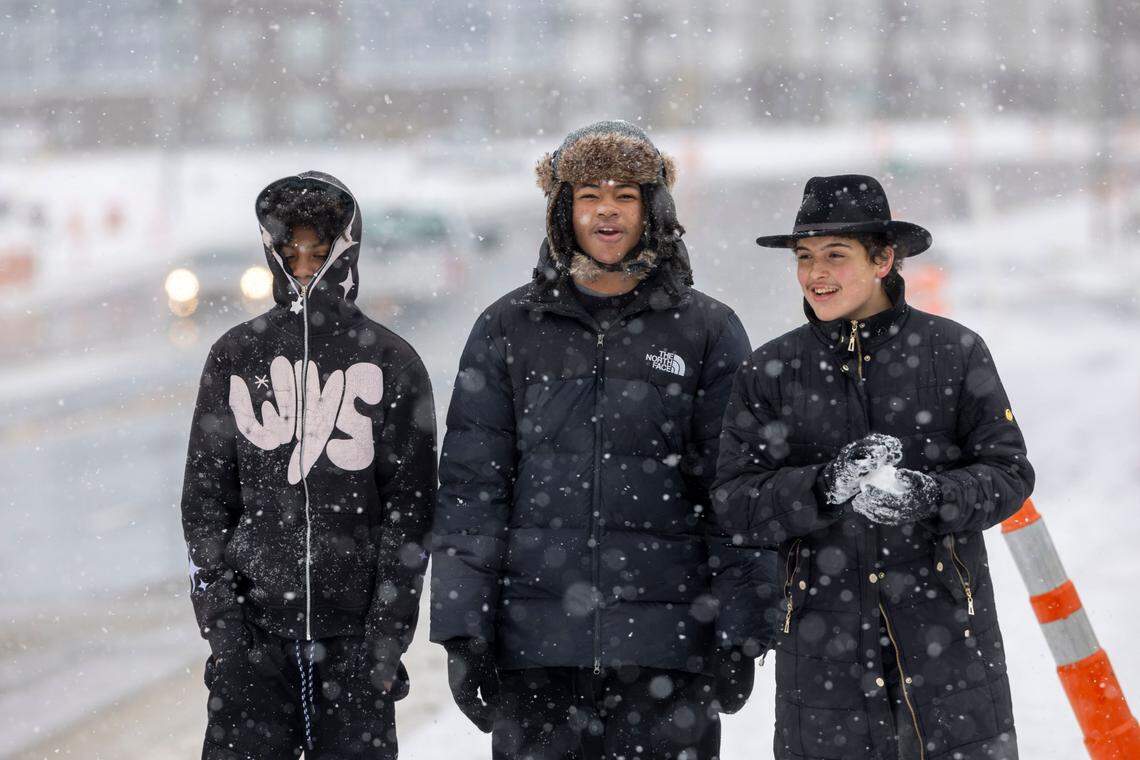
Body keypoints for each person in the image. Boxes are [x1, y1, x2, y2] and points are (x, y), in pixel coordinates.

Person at [429, 120, 777, 760]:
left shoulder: (707, 329)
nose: (607, 211)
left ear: (653, 209)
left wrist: (741, 625)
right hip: (535, 650)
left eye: (626, 194)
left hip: (668, 648)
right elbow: (471, 491)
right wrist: (462, 630)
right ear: (565, 208)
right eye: (590, 193)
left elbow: (736, 493)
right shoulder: (507, 328)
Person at [711, 174, 1033, 760]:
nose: (815, 274)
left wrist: (932, 496)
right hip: (822, 648)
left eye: (836, 255)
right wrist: (822, 486)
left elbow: (1009, 473)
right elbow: (735, 502)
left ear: (884, 259)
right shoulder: (770, 370)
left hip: (947, 641)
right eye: (805, 258)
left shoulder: (955, 352)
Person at [181, 171, 437, 759]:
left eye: (319, 252)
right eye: (290, 251)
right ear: (271, 252)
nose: (303, 266)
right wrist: (224, 623)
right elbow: (204, 500)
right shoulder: (235, 356)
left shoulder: (393, 362)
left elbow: (412, 512)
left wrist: (385, 638)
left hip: (354, 645)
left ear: (346, 253)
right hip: (253, 643)